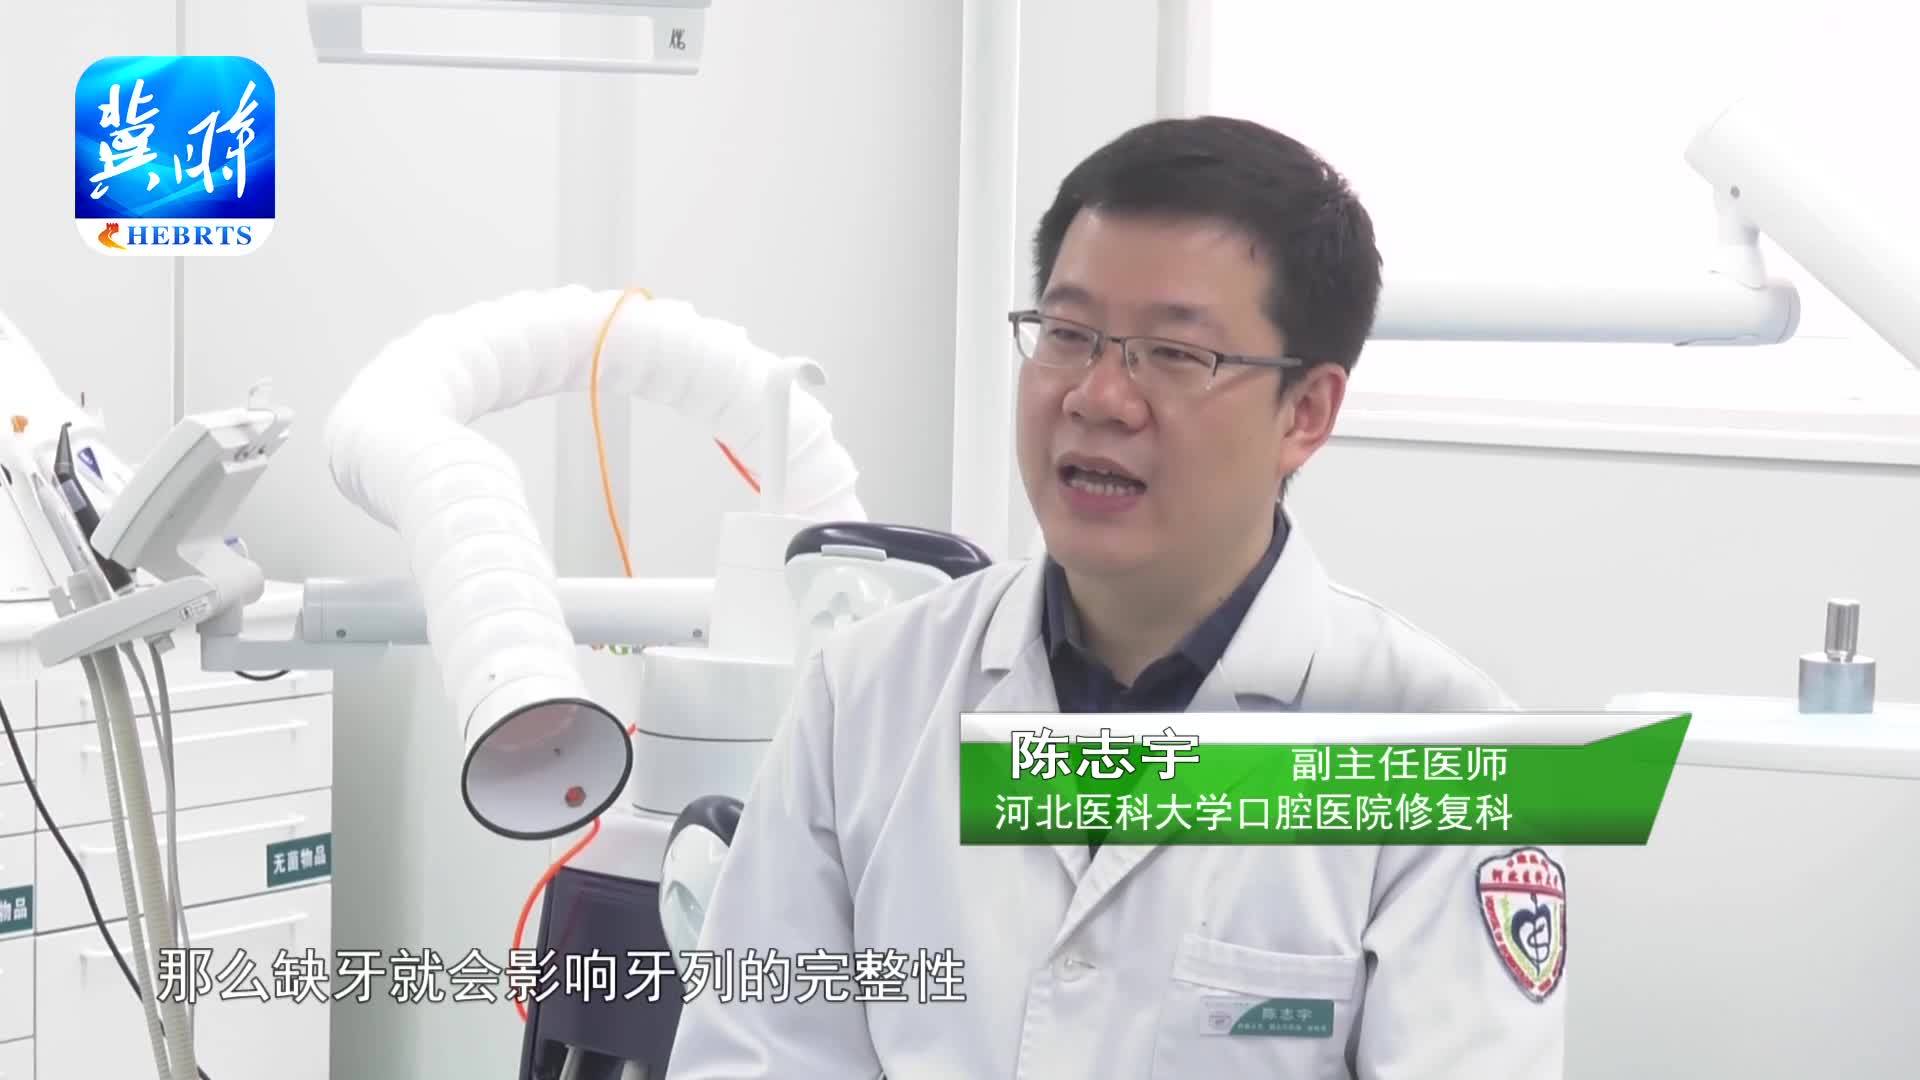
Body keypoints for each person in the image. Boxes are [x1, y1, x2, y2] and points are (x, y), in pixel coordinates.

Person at [665, 116, 1567, 1079]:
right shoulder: (866, 694)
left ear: (1305, 413)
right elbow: (755, 1053)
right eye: (1067, 335)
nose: (1097, 396)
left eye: (1174, 353)